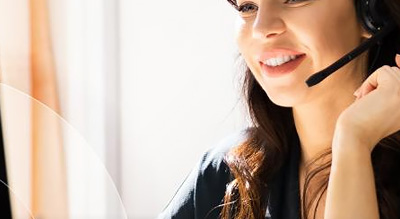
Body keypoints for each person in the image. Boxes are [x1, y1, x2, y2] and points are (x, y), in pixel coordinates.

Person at [158, 0, 400, 218]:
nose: (261, 28)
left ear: (371, 12)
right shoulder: (224, 175)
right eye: (247, 7)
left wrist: (352, 142)